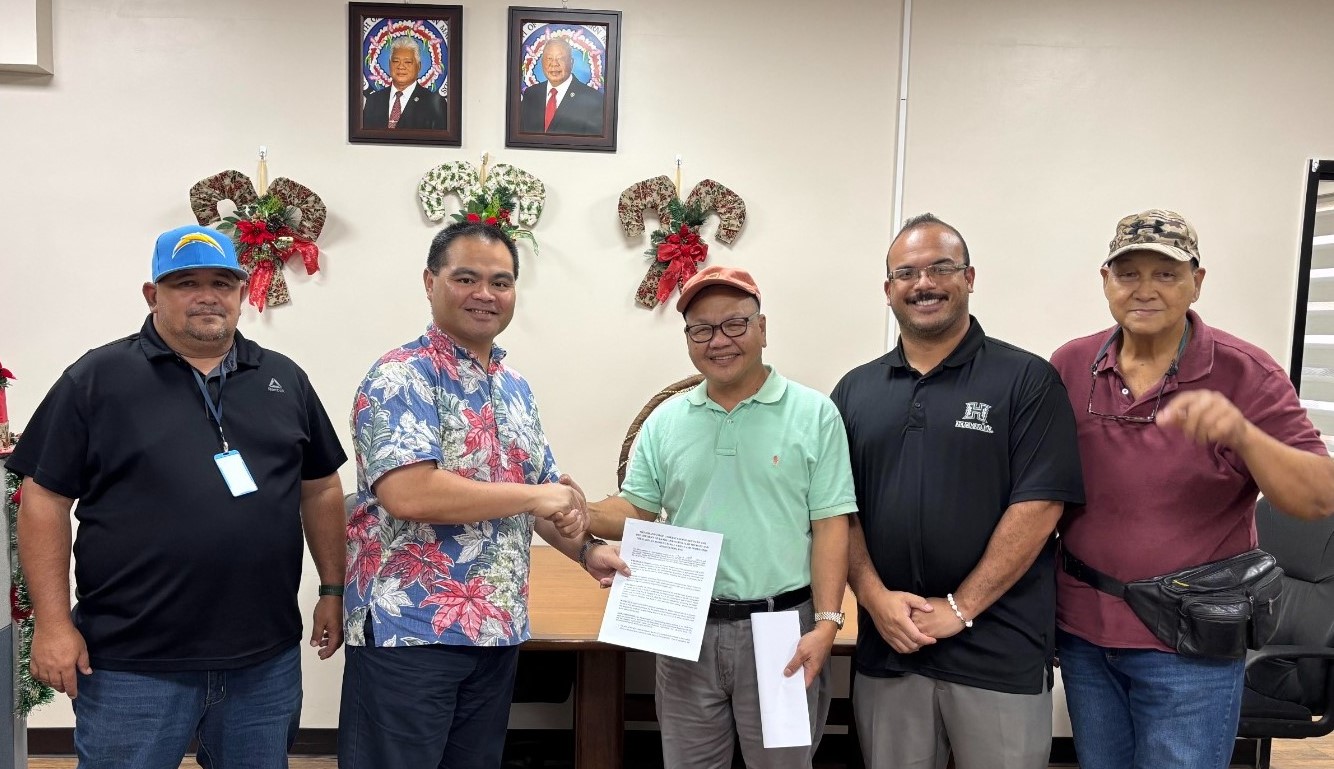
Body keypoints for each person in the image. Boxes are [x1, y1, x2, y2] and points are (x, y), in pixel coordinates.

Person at [9, 224, 348, 769]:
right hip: (131, 663)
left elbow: (322, 486)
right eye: (186, 283)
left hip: (263, 661)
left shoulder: (283, 380)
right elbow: (43, 498)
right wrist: (52, 623)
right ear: (152, 296)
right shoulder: (97, 378)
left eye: (222, 282)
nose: (207, 296)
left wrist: (332, 586)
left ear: (242, 293)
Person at [1049, 209, 1334, 769]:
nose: (1145, 290)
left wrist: (1243, 435)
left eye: (1167, 273)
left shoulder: (1246, 372)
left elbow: (1319, 497)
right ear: (1105, 281)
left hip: (1189, 643)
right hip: (1085, 632)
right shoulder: (1072, 364)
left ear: (1196, 282)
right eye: (1128, 273)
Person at [339, 221, 628, 769]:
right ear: (430, 282)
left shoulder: (514, 386)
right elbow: (409, 492)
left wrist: (589, 550)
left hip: (496, 629)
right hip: (411, 632)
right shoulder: (401, 376)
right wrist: (533, 498)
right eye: (466, 278)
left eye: (501, 281)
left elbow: (548, 498)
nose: (484, 294)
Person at [831, 213, 1085, 769]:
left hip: (998, 648)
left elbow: (1040, 505)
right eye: (907, 273)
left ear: (969, 278)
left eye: (940, 268)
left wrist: (960, 608)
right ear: (888, 290)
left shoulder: (1026, 380)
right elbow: (835, 511)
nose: (923, 283)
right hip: (891, 647)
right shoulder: (855, 390)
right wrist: (874, 599)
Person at [588, 265, 856, 769]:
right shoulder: (666, 421)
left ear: (762, 328)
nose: (719, 341)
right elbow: (638, 509)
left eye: (735, 324)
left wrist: (826, 623)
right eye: (702, 329)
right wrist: (580, 511)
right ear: (688, 338)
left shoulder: (815, 414)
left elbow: (830, 526)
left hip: (784, 629)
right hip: (685, 623)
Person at [518, 36, 604, 135]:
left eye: (560, 58)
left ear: (571, 63)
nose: (554, 64)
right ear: (542, 62)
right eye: (549, 58)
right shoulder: (531, 94)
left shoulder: (592, 99)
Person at [362, 36, 448, 130]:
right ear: (389, 64)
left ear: (418, 66)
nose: (401, 67)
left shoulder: (435, 103)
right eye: (396, 61)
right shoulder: (373, 100)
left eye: (407, 62)